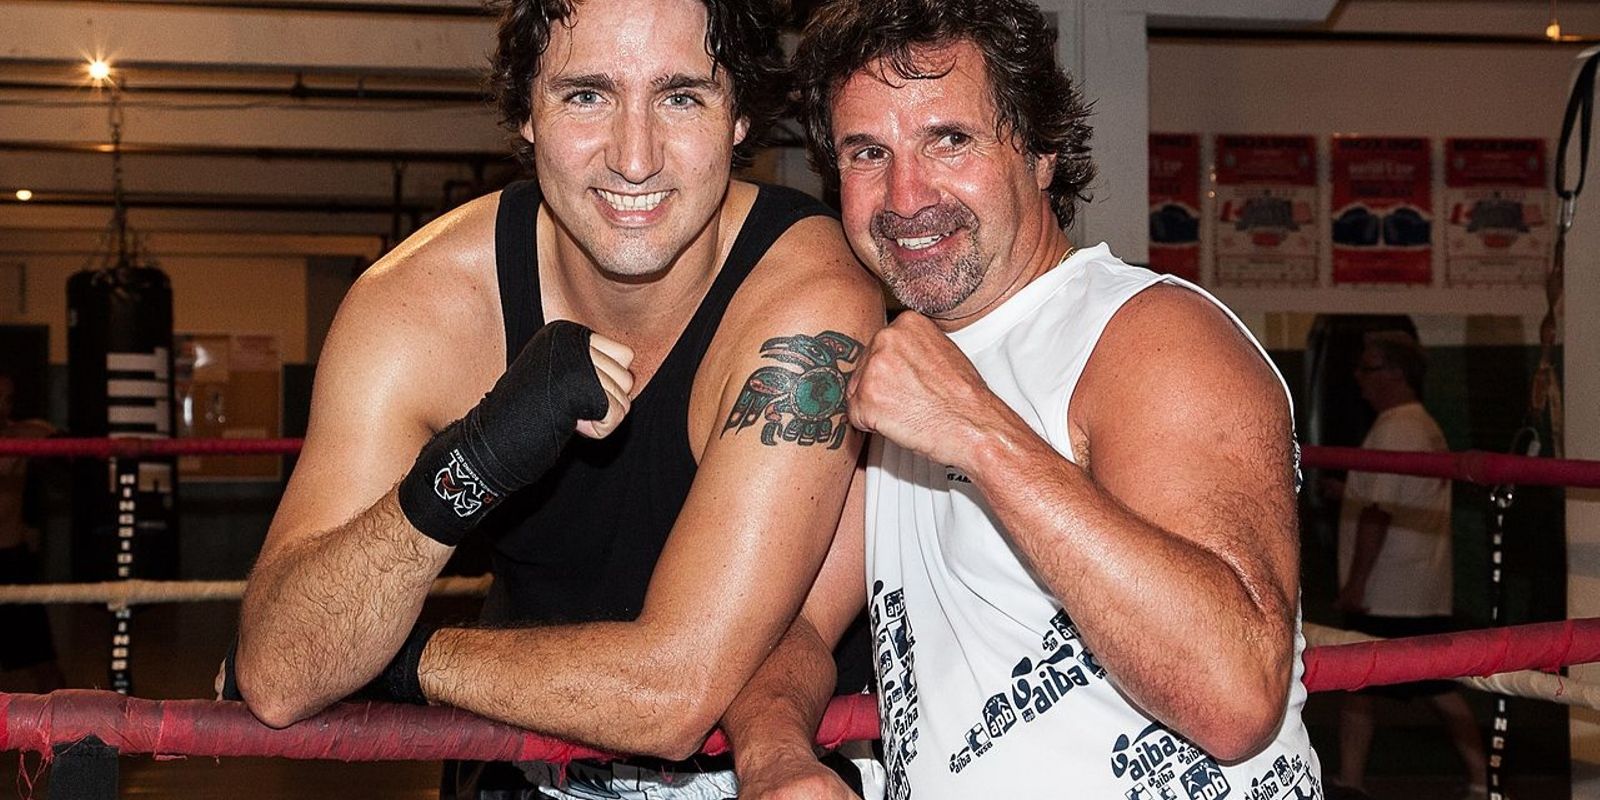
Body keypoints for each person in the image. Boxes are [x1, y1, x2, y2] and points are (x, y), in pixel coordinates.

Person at [233, 0, 884, 796]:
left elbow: (673, 694)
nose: (635, 158)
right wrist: (471, 464)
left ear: (739, 115)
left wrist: (399, 661)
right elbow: (279, 670)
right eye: (586, 95)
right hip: (525, 766)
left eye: (682, 96)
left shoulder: (809, 300)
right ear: (527, 114)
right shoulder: (418, 308)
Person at [729, 1, 1323, 797]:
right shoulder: (901, 373)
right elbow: (791, 622)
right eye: (868, 152)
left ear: (1042, 150)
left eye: (950, 139)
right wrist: (776, 757)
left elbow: (1237, 695)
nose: (905, 196)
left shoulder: (1151, 338)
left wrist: (978, 431)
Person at [1334, 331, 1485, 799]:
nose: (1359, 378)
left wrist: (1356, 584)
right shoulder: (1420, 425)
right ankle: (1352, 780)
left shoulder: (1397, 429)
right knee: (1368, 685)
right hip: (1412, 585)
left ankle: (1483, 779)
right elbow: (1394, 499)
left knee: (1433, 686)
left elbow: (1379, 512)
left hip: (1390, 590)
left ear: (1396, 373)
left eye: (1368, 368)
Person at [0, 370, 65, 694]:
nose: (2, 406)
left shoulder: (23, 435)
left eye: (7, 399)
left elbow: (67, 443)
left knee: (44, 664)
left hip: (11, 559)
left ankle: (63, 724)